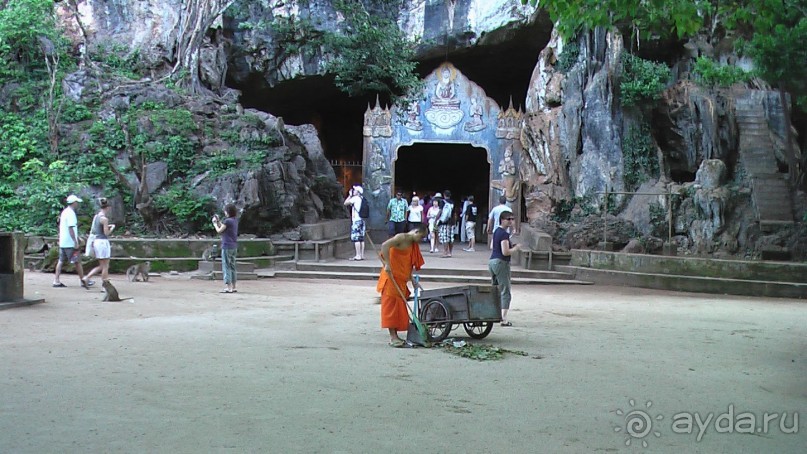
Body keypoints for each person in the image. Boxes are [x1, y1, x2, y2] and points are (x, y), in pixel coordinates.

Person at [377, 225, 427, 347]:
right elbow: (384, 246)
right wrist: (387, 264)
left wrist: (412, 279)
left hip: (401, 279)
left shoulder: (412, 245)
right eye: (421, 236)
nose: (420, 240)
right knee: (391, 308)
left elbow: (408, 264)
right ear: (416, 231)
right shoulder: (401, 237)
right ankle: (393, 337)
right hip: (391, 277)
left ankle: (396, 336)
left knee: (399, 308)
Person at [53, 194, 90, 288]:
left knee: (61, 261)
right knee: (77, 261)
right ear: (73, 203)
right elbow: (71, 228)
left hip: (63, 242)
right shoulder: (71, 214)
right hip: (70, 243)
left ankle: (56, 280)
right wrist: (75, 241)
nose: (77, 204)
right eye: (76, 202)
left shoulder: (64, 212)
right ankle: (83, 280)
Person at [489, 210, 519, 326]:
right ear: (502, 220)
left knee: (495, 289)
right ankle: (503, 318)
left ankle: (493, 313)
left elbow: (492, 246)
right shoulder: (504, 234)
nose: (511, 221)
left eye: (512, 219)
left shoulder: (496, 231)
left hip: (492, 261)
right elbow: (505, 252)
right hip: (501, 262)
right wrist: (515, 249)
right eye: (508, 219)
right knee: (505, 291)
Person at [83, 198, 116, 287]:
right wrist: (112, 228)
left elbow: (96, 229)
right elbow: (106, 233)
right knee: (105, 265)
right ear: (108, 207)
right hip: (102, 242)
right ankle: (104, 285)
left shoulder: (96, 216)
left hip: (96, 240)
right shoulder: (104, 219)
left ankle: (87, 277)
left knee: (102, 265)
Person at [212, 203, 239, 293]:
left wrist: (215, 224)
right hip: (234, 246)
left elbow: (219, 230)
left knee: (226, 266)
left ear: (228, 212)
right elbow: (224, 227)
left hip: (227, 246)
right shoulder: (234, 220)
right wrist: (219, 221)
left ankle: (229, 287)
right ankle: (234, 286)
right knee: (232, 266)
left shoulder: (227, 221)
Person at [344, 185, 366, 260]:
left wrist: (349, 196)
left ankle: (358, 255)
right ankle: (362, 255)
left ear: (358, 192)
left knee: (356, 238)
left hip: (356, 220)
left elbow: (345, 203)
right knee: (361, 238)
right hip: (362, 220)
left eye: (355, 190)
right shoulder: (362, 198)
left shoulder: (355, 198)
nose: (353, 191)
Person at [437, 190, 455, 258]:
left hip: (444, 222)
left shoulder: (443, 202)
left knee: (445, 237)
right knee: (451, 237)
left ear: (444, 195)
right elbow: (454, 213)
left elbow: (440, 211)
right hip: (451, 222)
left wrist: (436, 219)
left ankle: (445, 252)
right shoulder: (452, 202)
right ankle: (450, 252)